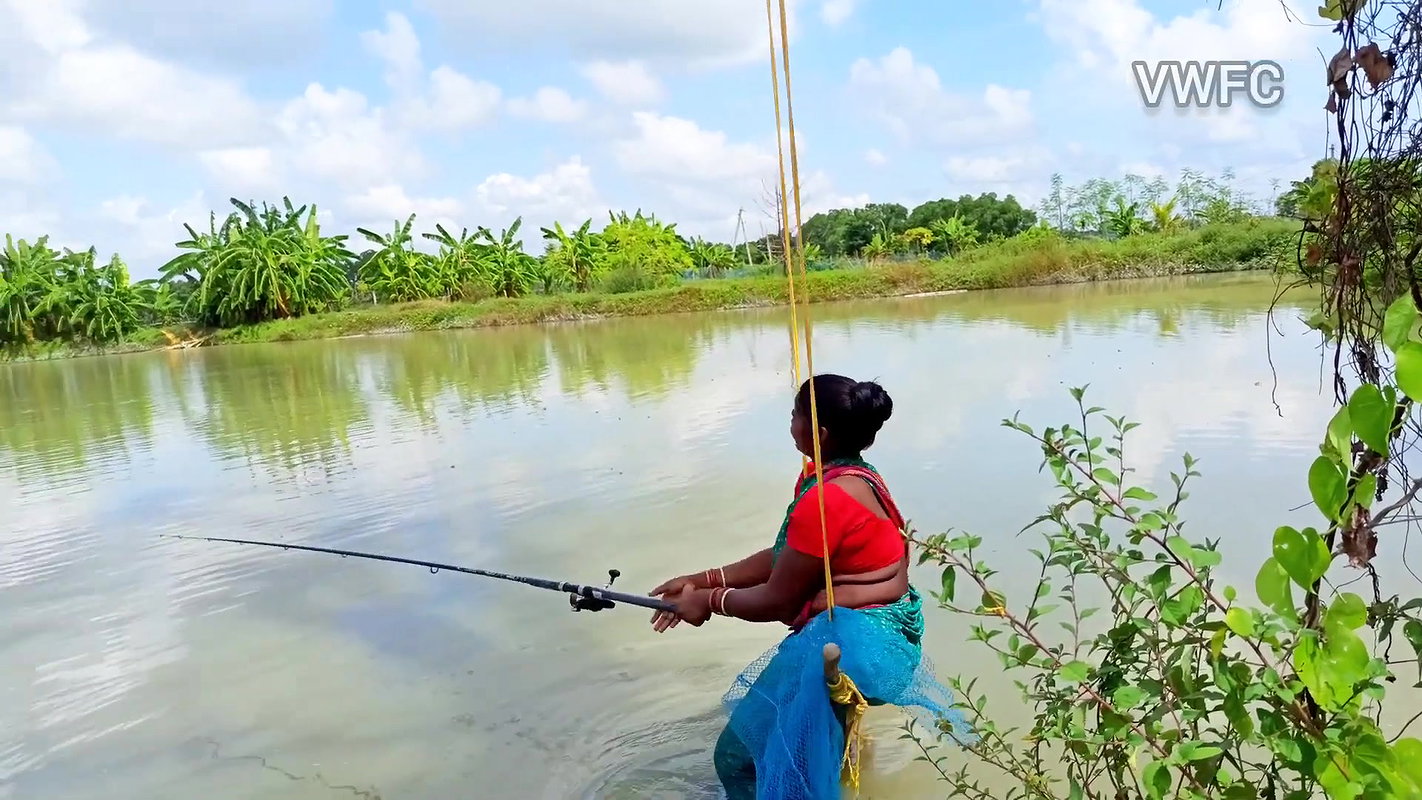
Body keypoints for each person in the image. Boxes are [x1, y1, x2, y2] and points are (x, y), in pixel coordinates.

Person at [649, 374, 962, 800]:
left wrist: (708, 602)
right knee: (809, 753)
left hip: (856, 644)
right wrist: (704, 581)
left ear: (821, 433)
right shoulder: (854, 476)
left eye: (795, 414)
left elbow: (779, 600)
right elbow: (792, 556)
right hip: (884, 634)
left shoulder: (825, 499)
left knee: (736, 759)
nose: (790, 422)